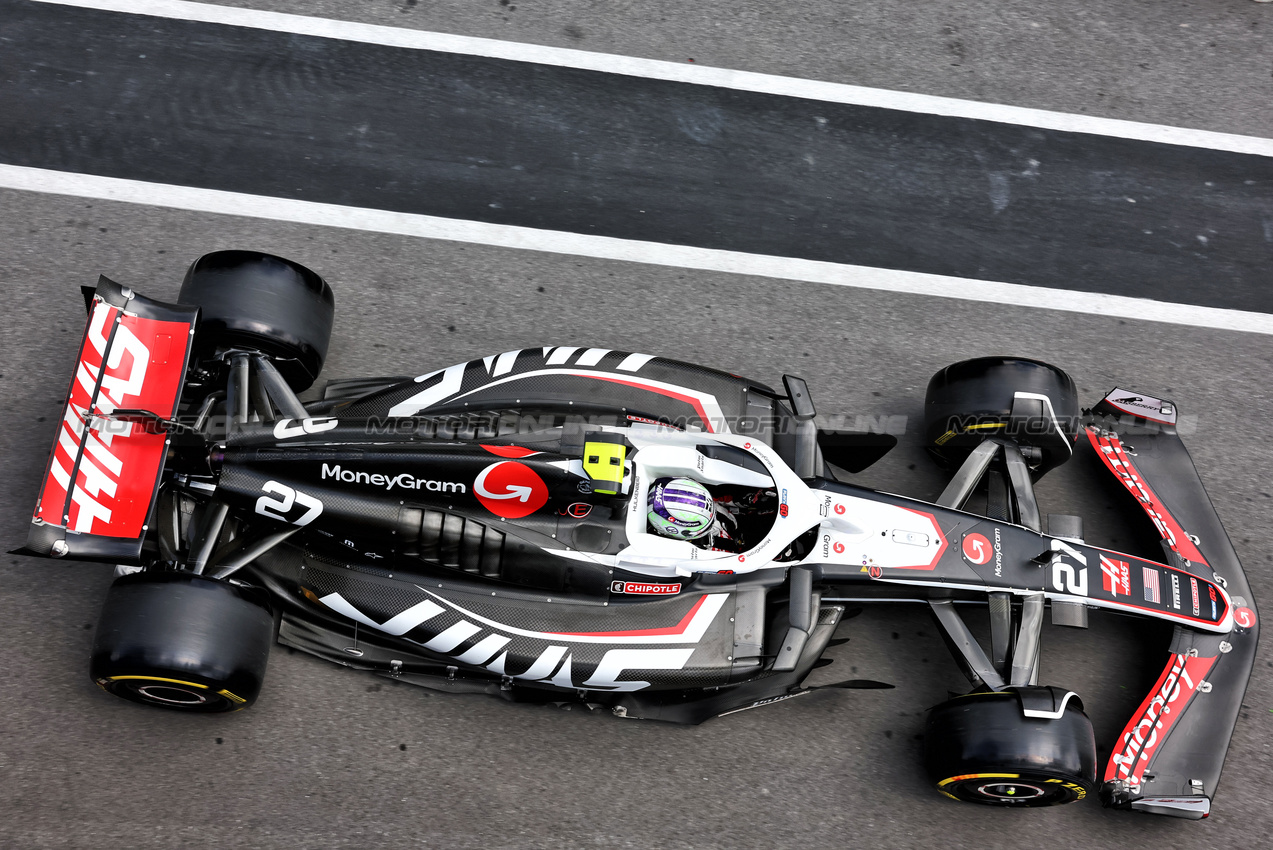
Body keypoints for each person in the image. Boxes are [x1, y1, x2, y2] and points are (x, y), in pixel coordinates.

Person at [647, 476, 768, 553]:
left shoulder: (707, 508)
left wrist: (749, 498)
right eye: (708, 526)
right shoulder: (695, 550)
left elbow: (721, 498)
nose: (713, 517)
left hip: (741, 525)